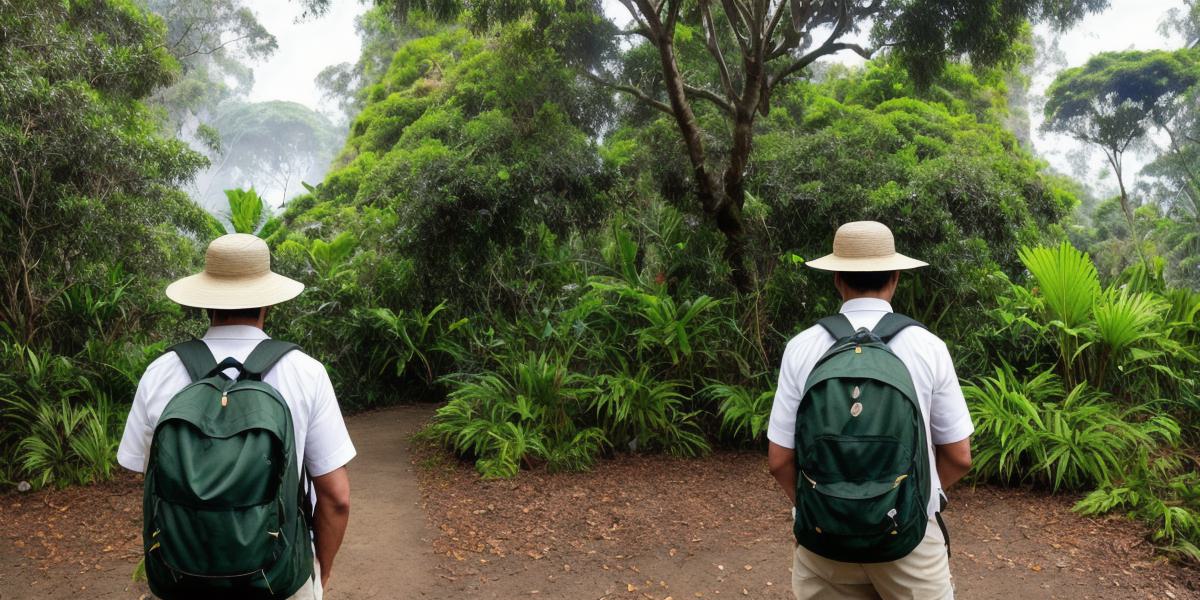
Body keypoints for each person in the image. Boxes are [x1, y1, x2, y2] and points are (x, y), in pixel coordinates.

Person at [118, 233, 356, 599]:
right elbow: (336, 498)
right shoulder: (306, 372)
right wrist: (317, 577)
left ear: (205, 302)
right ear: (268, 304)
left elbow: (150, 477)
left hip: (182, 582)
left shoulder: (161, 372)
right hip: (277, 582)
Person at [767, 221, 974, 599]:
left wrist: (826, 510)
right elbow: (959, 457)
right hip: (908, 542)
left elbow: (780, 461)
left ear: (837, 279)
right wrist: (915, 500)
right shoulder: (928, 347)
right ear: (896, 277)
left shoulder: (801, 347)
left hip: (823, 544)